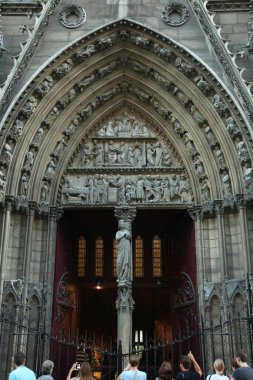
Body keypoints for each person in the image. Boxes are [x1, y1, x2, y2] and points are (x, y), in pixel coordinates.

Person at [116, 220, 132, 285]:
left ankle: (125, 278)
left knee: (126, 263)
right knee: (119, 263)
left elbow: (129, 237)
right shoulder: (118, 232)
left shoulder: (127, 231)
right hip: (120, 249)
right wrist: (123, 236)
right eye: (120, 223)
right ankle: (120, 277)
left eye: (122, 223)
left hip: (126, 248)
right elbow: (117, 238)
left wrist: (127, 235)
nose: (121, 224)